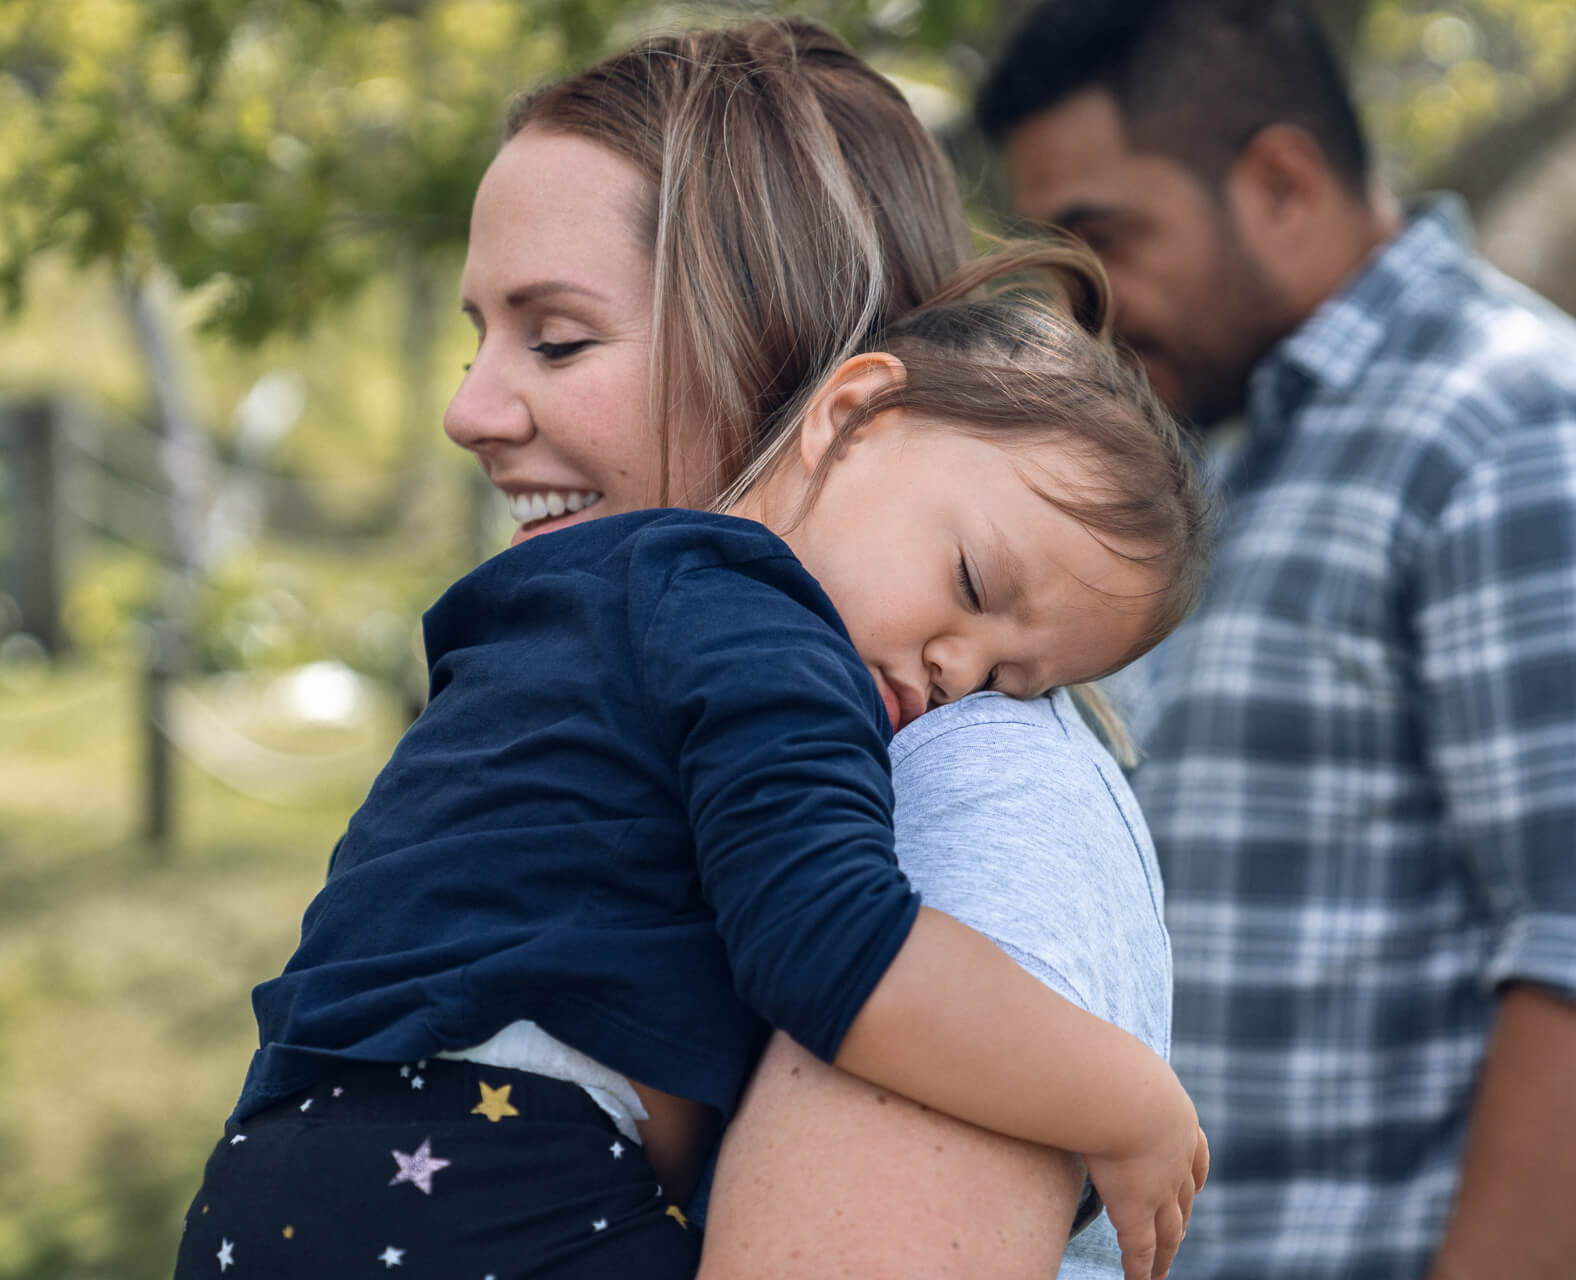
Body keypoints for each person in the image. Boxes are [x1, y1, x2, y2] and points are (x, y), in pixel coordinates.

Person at [175, 21, 1208, 1280]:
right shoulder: (722, 619)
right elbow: (827, 943)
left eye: (558, 336)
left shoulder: (969, 781)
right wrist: (1136, 1101)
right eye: (488, 334)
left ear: (784, 347)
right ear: (854, 411)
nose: (466, 411)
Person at [978, 3, 1576, 1278]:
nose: (1082, 299)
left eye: (1109, 236)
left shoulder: (1526, 439)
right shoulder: (1208, 450)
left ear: (1282, 179)